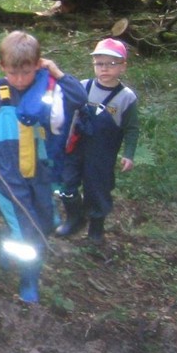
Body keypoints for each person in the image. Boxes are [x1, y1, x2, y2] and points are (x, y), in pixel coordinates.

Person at [0, 31, 88, 303]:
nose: (19, 80)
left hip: (40, 175)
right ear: (2, 67)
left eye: (26, 73)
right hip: (6, 177)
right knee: (29, 231)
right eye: (12, 73)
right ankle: (29, 281)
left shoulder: (47, 89)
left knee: (45, 222)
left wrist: (57, 72)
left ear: (38, 65)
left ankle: (7, 249)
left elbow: (79, 99)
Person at [55, 38, 139, 244]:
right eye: (100, 63)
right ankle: (75, 218)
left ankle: (96, 228)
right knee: (66, 183)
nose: (105, 69)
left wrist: (128, 154)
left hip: (102, 153)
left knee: (97, 190)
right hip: (76, 147)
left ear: (123, 66)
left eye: (112, 64)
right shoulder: (84, 86)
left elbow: (132, 128)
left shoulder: (126, 97)